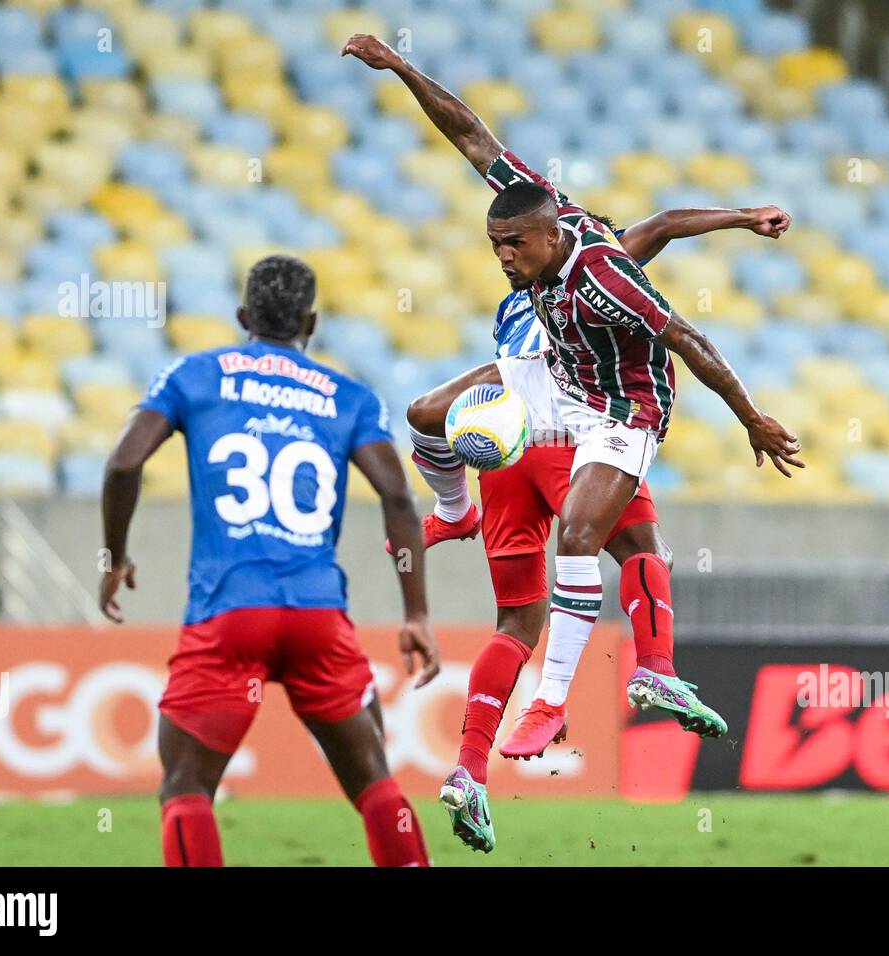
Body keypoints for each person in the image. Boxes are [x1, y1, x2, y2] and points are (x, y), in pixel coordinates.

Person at [343, 35, 803, 851]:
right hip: (554, 403)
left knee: (545, 582)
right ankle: (622, 678)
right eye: (497, 246)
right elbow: (472, 135)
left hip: (613, 413)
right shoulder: (546, 214)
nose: (503, 257)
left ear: (551, 238)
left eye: (512, 246)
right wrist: (404, 70)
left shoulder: (605, 275)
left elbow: (688, 338)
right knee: (614, 545)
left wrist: (750, 418)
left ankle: (545, 707)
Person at [99, 254, 439, 867]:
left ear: (241, 317)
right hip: (317, 614)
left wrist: (114, 557)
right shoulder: (349, 396)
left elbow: (123, 464)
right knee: (375, 782)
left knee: (186, 787)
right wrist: (416, 612)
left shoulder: (194, 375)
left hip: (229, 611)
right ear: (311, 322)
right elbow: (397, 497)